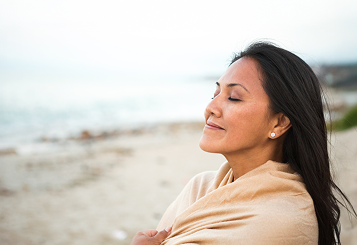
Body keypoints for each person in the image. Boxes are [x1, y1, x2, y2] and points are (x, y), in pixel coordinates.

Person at [130, 42, 356, 245]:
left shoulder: (284, 220)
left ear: (279, 123)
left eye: (234, 97)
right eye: (215, 94)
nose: (211, 108)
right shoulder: (199, 187)